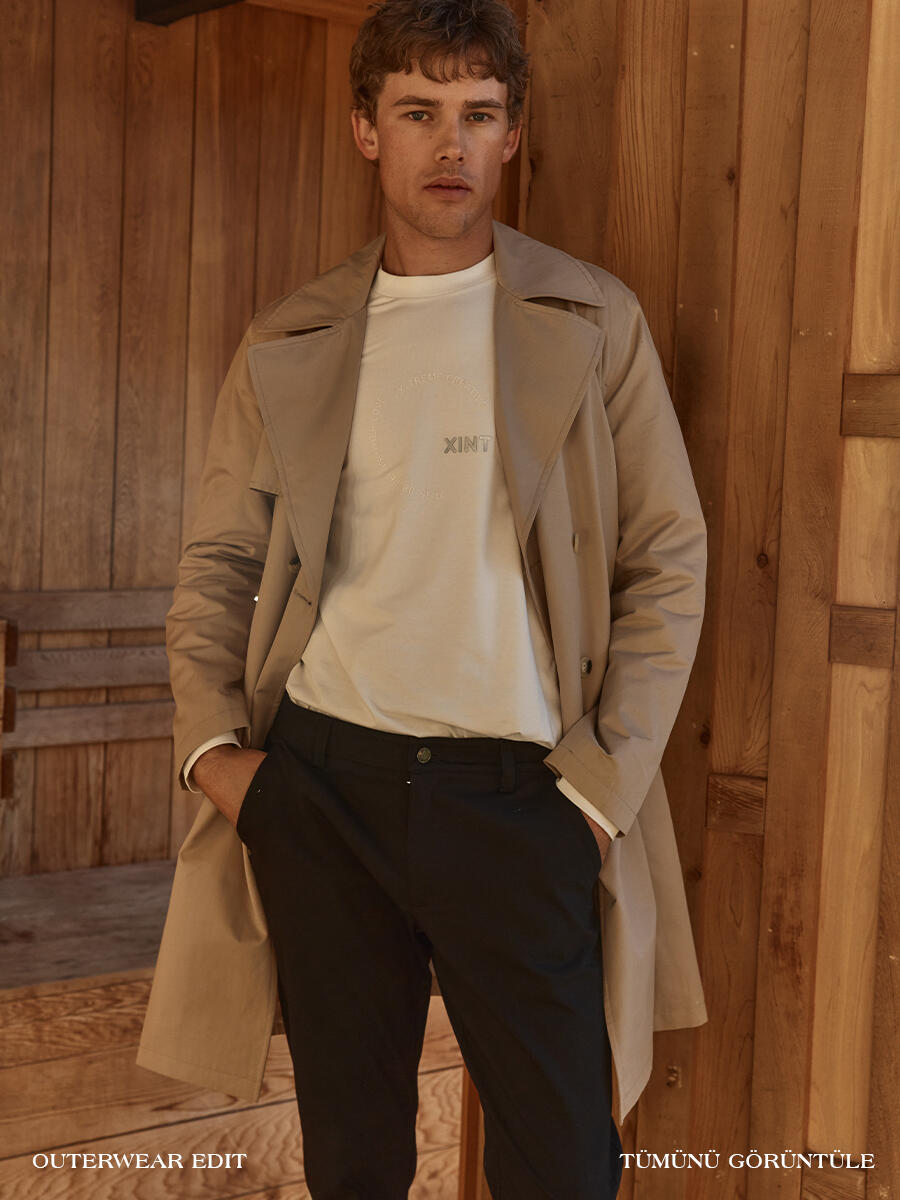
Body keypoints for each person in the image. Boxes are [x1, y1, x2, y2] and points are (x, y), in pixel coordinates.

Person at [136, 1, 709, 1196]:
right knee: (351, 1165)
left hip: (525, 802)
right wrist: (218, 760)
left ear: (511, 135)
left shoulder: (594, 320)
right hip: (324, 794)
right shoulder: (289, 335)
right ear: (366, 130)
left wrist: (594, 796)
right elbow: (220, 564)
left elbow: (668, 558)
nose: (451, 144)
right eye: (417, 112)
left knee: (565, 1169)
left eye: (478, 114)